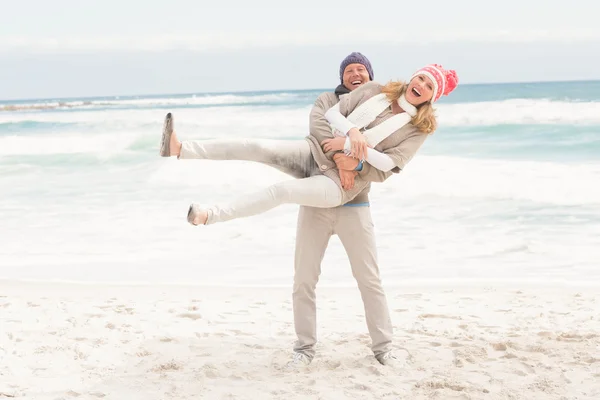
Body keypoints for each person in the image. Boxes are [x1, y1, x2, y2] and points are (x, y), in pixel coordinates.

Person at [159, 63, 458, 229]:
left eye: (430, 86)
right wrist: (351, 133)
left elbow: (389, 165)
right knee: (256, 147)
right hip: (315, 152)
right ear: (413, 76)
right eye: (421, 77)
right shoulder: (374, 90)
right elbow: (332, 114)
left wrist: (356, 149)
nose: (421, 85)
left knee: (281, 192)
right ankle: (181, 149)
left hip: (340, 185)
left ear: (432, 98)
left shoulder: (417, 129)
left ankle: (208, 215)